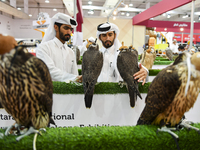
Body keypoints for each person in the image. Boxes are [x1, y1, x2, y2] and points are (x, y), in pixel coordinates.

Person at [36, 13, 82, 82]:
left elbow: (75, 74)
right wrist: (74, 78)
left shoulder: (70, 52)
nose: (69, 32)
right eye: (66, 28)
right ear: (56, 27)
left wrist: (77, 79)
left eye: (71, 29)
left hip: (69, 92)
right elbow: (49, 70)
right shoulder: (44, 48)